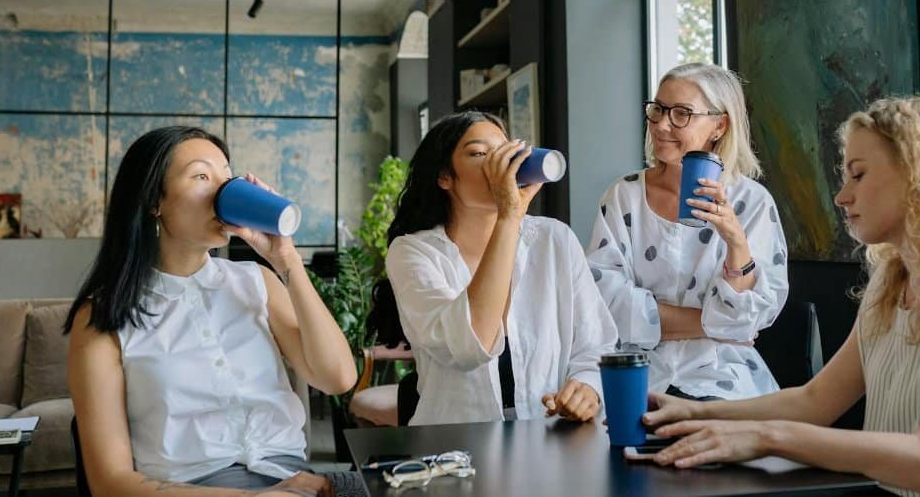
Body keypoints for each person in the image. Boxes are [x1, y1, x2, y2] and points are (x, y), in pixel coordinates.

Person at [644, 96, 920, 497]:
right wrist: (695, 412)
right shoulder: (890, 286)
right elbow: (814, 401)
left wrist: (766, 436)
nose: (841, 197)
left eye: (858, 175)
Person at [65, 126, 360, 497]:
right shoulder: (102, 319)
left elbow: (338, 379)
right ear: (154, 200)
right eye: (202, 176)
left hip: (295, 479)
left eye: (226, 175)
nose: (221, 191)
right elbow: (111, 483)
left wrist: (287, 261)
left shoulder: (258, 282)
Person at [385, 111, 618, 425]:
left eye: (505, 151)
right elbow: (470, 344)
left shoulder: (554, 240)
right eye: (481, 154)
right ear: (445, 176)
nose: (501, 164)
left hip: (547, 438)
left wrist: (589, 386)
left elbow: (596, 344)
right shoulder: (413, 252)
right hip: (454, 447)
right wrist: (509, 216)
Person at [587, 63, 789, 401]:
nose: (662, 125)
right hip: (636, 370)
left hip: (721, 373)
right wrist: (717, 326)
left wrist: (736, 242)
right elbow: (605, 303)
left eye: (682, 113)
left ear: (719, 125)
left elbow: (752, 315)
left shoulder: (751, 202)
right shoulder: (624, 195)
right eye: (658, 110)